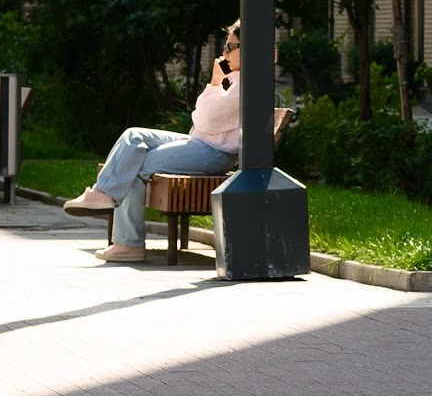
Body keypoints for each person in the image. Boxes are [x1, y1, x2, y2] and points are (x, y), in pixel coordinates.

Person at [64, 25, 278, 263]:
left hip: (213, 153)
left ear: (248, 49)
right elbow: (204, 117)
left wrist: (215, 82)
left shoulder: (248, 86)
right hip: (201, 143)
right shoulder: (240, 80)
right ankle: (103, 194)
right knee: (133, 136)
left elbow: (203, 117)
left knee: (134, 164)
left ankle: (129, 244)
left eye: (230, 46)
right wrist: (216, 85)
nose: (224, 52)